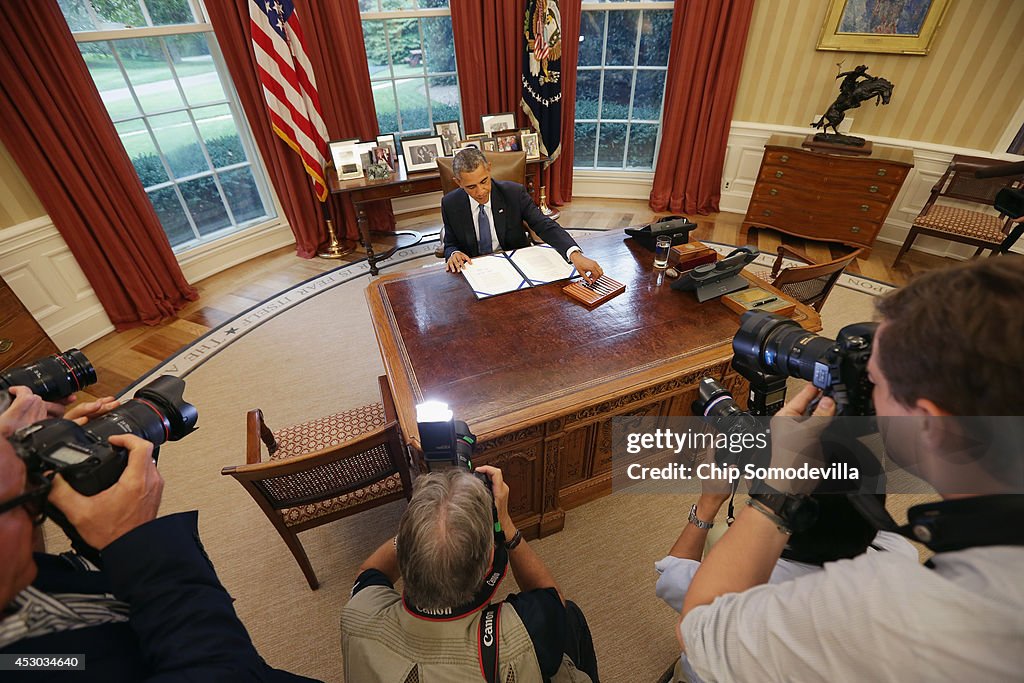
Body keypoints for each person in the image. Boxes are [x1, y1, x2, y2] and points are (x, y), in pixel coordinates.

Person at [675, 256, 1024, 681]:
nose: (863, 392)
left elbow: (701, 630)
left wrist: (777, 488)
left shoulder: (901, 617)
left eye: (874, 381)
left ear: (930, 424)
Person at [0, 391, 317, 681]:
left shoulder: (26, 658)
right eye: (25, 497)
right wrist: (136, 542)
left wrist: (80, 493)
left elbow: (77, 660)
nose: (33, 510)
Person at [342, 466, 599, 682]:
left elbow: (370, 571)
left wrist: (421, 528)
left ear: (407, 549)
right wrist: (506, 525)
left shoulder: (358, 615)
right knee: (571, 615)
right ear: (490, 559)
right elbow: (551, 598)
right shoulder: (524, 633)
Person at [442, 148, 604, 283]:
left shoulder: (513, 193)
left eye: (484, 181)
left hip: (516, 268)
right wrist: (453, 253)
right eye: (471, 187)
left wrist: (574, 254)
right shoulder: (450, 204)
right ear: (458, 182)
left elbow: (543, 225)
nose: (480, 191)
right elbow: (450, 244)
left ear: (489, 169)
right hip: (477, 272)